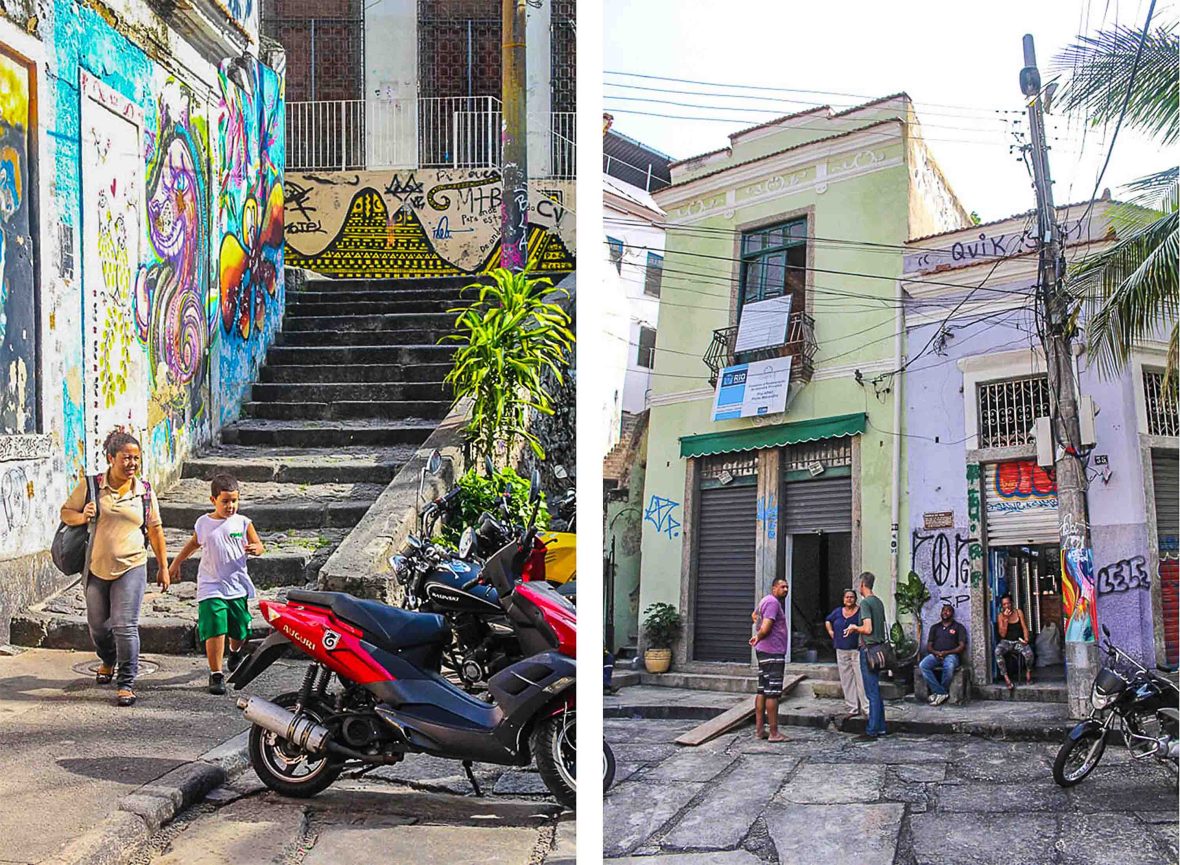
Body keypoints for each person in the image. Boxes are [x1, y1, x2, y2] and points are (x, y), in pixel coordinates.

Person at [60, 430, 169, 706]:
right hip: (97, 567)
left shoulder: (144, 490)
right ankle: (108, 659)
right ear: (111, 458)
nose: (132, 463)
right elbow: (65, 512)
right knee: (98, 626)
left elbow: (155, 530)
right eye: (126, 458)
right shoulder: (91, 486)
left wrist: (164, 566)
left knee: (125, 624)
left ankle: (126, 683)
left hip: (132, 565)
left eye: (136, 458)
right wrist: (81, 516)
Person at [168, 473, 264, 695]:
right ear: (213, 501)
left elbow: (258, 544)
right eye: (225, 501)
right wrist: (175, 564)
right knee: (215, 627)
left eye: (234, 501)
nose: (230, 506)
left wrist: (256, 549)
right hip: (211, 585)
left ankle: (235, 650)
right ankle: (216, 673)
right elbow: (193, 543)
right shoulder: (204, 523)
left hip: (236, 585)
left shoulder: (243, 522)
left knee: (239, 628)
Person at [843, 571, 887, 741]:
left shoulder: (866, 603)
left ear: (862, 584)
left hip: (868, 650)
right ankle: (881, 727)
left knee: (871, 692)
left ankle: (872, 730)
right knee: (875, 689)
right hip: (879, 650)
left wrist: (855, 627)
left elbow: (867, 629)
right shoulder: (879, 602)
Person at [749, 577, 789, 742]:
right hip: (772, 652)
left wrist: (758, 634)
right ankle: (774, 733)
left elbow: (754, 615)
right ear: (774, 588)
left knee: (762, 690)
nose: (785, 590)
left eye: (787, 587)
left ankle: (759, 730)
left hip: (764, 651)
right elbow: (766, 626)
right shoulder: (773, 603)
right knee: (773, 693)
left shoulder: (765, 600)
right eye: (782, 587)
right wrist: (759, 635)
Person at [825, 589, 868, 719]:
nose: (849, 599)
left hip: (856, 650)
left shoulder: (860, 612)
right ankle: (853, 707)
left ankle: (866, 708)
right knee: (846, 680)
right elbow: (828, 620)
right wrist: (831, 632)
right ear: (843, 599)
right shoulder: (838, 611)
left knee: (861, 679)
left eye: (851, 597)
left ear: (855, 599)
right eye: (847, 597)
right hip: (841, 649)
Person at [919, 603, 968, 705]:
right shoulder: (934, 627)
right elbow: (929, 646)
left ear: (952, 613)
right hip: (936, 655)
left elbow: (961, 646)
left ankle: (939, 693)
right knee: (923, 665)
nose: (945, 612)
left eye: (948, 610)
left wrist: (947, 652)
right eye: (943, 610)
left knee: (949, 666)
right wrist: (936, 653)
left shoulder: (959, 627)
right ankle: (941, 692)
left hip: (952, 655)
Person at [994, 593, 1034, 689]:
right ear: (1002, 606)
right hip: (1006, 642)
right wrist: (1006, 619)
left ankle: (1028, 671)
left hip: (1018, 642)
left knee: (1029, 654)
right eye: (1004, 604)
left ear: (1011, 603)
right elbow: (1002, 634)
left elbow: (1024, 627)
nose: (1007, 606)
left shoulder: (1018, 612)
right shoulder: (1000, 616)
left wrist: (1026, 639)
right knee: (997, 651)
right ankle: (1006, 678)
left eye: (1008, 603)